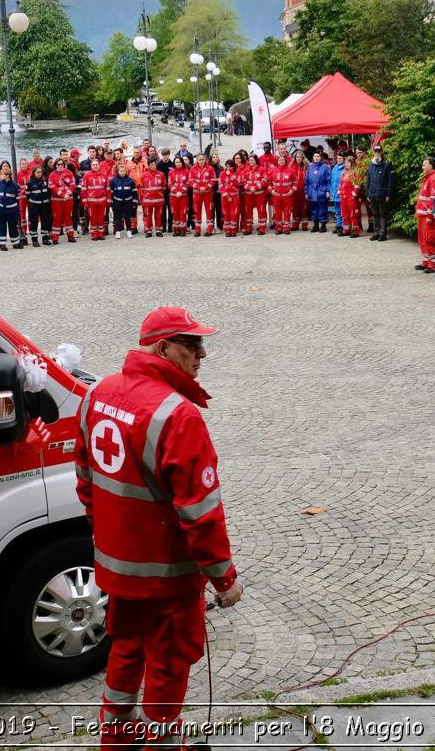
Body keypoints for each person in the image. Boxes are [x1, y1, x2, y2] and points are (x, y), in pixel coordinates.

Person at [77, 306, 242, 751]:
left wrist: (111, 534)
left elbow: (85, 479)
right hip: (166, 576)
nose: (201, 353)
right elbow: (201, 512)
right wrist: (223, 578)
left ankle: (114, 740)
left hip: (117, 567)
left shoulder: (98, 394)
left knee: (126, 650)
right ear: (163, 346)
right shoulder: (177, 415)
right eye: (191, 344)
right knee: (169, 663)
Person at [413, 157, 435, 272]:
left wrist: (430, 216)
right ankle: (426, 262)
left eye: (425, 165)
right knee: (422, 239)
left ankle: (433, 264)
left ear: (431, 166)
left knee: (430, 239)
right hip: (422, 215)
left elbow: (433, 200)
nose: (422, 167)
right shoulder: (427, 178)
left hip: (428, 216)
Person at [365, 144, 395, 241]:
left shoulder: (386, 164)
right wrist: (368, 193)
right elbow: (368, 180)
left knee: (382, 214)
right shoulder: (371, 165)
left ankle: (383, 233)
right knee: (375, 214)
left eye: (379, 151)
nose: (377, 153)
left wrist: (388, 194)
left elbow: (391, 180)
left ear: (381, 152)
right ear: (373, 152)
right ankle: (376, 232)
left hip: (382, 194)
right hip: (372, 194)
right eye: (376, 151)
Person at [0, 162, 23, 251]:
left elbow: (18, 198)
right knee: (0, 226)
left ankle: (16, 243)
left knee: (12, 226)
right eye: (2, 174)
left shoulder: (15, 186)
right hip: (0, 209)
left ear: (9, 175)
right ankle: (2, 244)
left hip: (12, 210)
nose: (3, 176)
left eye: (5, 174)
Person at [50, 158, 78, 244]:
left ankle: (70, 235)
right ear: (55, 165)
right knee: (57, 218)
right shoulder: (52, 175)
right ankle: (55, 237)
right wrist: (62, 194)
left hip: (68, 199)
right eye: (58, 164)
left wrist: (68, 193)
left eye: (61, 164)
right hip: (57, 200)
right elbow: (52, 186)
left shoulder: (69, 173)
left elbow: (73, 184)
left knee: (68, 217)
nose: (60, 166)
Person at [187, 154, 216, 237]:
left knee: (209, 210)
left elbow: (213, 180)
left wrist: (206, 187)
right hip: (197, 193)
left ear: (205, 160)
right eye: (200, 159)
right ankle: (197, 229)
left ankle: (210, 229)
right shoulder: (193, 169)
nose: (201, 161)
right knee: (197, 211)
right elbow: (190, 181)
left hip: (208, 193)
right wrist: (199, 187)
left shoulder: (210, 168)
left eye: (203, 159)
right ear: (197, 160)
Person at [109, 162, 140, 239]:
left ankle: (129, 231)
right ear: (118, 171)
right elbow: (111, 193)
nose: (122, 172)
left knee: (127, 217)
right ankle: (117, 231)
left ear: (126, 171)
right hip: (117, 202)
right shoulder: (113, 181)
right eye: (121, 171)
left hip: (128, 201)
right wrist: (112, 203)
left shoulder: (130, 180)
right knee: (117, 217)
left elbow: (134, 192)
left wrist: (135, 202)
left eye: (124, 171)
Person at [267, 153, 296, 235]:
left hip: (287, 196)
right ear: (277, 161)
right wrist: (271, 191)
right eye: (279, 160)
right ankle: (279, 228)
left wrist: (291, 191)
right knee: (277, 212)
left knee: (287, 212)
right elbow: (268, 182)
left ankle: (286, 228)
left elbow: (295, 183)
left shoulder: (291, 170)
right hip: (276, 196)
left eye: (282, 160)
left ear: (285, 161)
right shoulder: (273, 171)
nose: (281, 161)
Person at [24, 164, 53, 247]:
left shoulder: (44, 181)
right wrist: (34, 201)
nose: (39, 174)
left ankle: (45, 239)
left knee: (45, 222)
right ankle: (34, 240)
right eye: (38, 172)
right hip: (34, 206)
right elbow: (27, 195)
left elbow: (48, 192)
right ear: (34, 173)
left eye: (40, 172)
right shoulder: (29, 183)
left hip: (45, 205)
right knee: (33, 223)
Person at [84, 160, 111, 241]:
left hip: (102, 201)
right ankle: (94, 234)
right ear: (91, 166)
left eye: (97, 164)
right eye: (93, 165)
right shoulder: (87, 175)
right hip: (91, 202)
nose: (95, 166)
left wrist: (108, 200)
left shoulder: (104, 175)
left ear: (99, 165)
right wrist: (85, 201)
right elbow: (83, 189)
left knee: (101, 217)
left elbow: (108, 189)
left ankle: (101, 233)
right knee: (93, 218)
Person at [337, 153, 363, 238]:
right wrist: (340, 192)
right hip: (344, 197)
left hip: (351, 197)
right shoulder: (344, 172)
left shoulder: (355, 172)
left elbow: (358, 184)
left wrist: (354, 194)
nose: (346, 164)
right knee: (345, 214)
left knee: (353, 214)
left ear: (352, 163)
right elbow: (341, 184)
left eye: (348, 163)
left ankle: (356, 231)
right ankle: (346, 230)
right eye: (346, 163)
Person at [305, 152, 331, 233]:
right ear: (313, 158)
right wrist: (306, 192)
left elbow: (328, 180)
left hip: (321, 190)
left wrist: (328, 190)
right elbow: (306, 181)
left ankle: (323, 225)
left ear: (320, 157)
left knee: (322, 208)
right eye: (315, 156)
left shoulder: (325, 167)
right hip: (312, 191)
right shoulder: (310, 167)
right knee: (313, 209)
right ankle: (316, 225)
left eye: (318, 156)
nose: (316, 157)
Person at [140, 160, 167, 237]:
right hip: (148, 200)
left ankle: (158, 230)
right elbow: (142, 188)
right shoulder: (144, 175)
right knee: (148, 215)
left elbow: (164, 186)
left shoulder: (161, 174)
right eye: (151, 165)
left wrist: (160, 193)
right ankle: (149, 230)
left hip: (159, 199)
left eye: (154, 164)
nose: (153, 166)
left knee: (158, 215)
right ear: (148, 166)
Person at [218, 159, 243, 237]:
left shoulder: (237, 173)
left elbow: (238, 183)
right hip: (225, 197)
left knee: (234, 213)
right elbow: (221, 186)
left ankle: (233, 230)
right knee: (226, 213)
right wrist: (227, 195)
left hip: (234, 197)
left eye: (230, 167)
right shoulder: (222, 173)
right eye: (227, 166)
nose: (228, 168)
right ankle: (227, 230)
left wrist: (231, 175)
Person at [168, 156, 191, 237]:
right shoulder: (171, 172)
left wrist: (181, 192)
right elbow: (170, 183)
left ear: (182, 163)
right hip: (174, 196)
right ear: (174, 163)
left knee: (183, 213)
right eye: (176, 162)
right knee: (175, 213)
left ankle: (183, 230)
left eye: (180, 162)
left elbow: (188, 183)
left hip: (183, 196)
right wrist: (175, 191)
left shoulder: (187, 172)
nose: (178, 163)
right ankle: (176, 229)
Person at [330, 152, 348, 235]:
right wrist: (331, 192)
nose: (338, 160)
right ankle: (338, 226)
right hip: (335, 193)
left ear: (344, 159)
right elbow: (332, 181)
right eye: (337, 158)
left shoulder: (345, 168)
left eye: (340, 158)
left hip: (342, 193)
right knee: (337, 211)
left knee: (342, 211)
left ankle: (343, 226)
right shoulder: (335, 168)